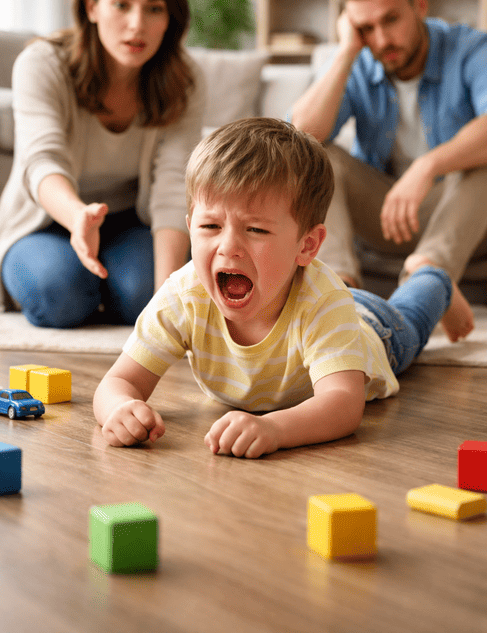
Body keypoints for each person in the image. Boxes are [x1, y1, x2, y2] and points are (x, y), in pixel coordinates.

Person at [93, 117, 471, 458]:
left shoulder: (324, 299)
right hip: (316, 306)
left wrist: (274, 428)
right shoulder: (184, 293)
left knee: (414, 316)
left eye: (255, 229)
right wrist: (119, 408)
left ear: (306, 245)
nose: (227, 247)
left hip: (374, 329)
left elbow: (342, 403)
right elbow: (119, 381)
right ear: (190, 224)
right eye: (210, 227)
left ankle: (431, 276)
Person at [0, 0, 205, 327]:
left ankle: (108, 286)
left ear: (171, 18)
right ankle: (79, 281)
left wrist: (164, 303)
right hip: (47, 220)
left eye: (155, 9)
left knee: (145, 297)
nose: (137, 24)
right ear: (92, 5)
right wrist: (78, 217)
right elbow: (41, 159)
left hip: (130, 221)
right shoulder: (42, 63)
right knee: (59, 295)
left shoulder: (184, 81)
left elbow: (173, 186)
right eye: (121, 4)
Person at [291, 0, 487, 339]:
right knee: (317, 154)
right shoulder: (359, 60)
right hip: (385, 216)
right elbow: (300, 135)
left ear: (420, 4)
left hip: (461, 213)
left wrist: (427, 166)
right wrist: (347, 51)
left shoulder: (469, 48)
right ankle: (340, 295)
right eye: (366, 27)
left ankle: (428, 276)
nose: (381, 40)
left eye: (391, 19)